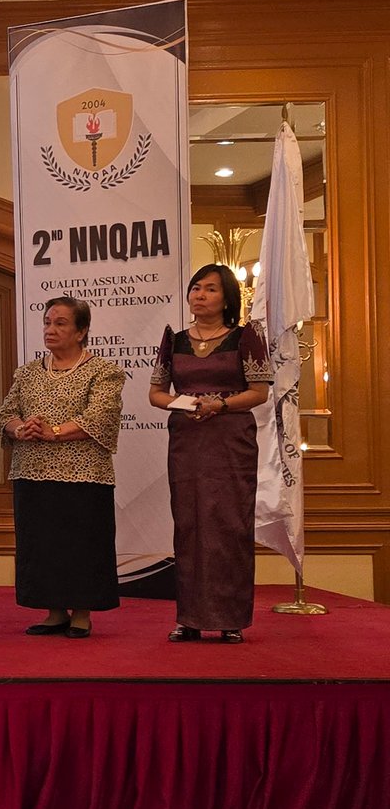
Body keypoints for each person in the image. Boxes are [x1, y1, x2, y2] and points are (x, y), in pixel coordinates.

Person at [149, 263, 272, 643]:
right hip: (187, 440)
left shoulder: (245, 336)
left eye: (210, 289)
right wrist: (185, 404)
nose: (200, 295)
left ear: (227, 298)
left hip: (231, 440)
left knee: (229, 525)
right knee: (189, 525)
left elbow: (259, 392)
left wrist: (220, 405)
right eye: (195, 288)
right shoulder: (174, 340)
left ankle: (230, 619)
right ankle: (189, 619)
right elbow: (156, 394)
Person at [0, 297, 125, 639]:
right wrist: (20, 429)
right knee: (42, 544)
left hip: (84, 476)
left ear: (81, 331)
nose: (50, 329)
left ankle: (82, 613)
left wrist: (53, 431)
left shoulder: (104, 371)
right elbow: (6, 414)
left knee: (81, 544)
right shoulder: (27, 372)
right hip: (32, 472)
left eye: (60, 323)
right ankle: (54, 612)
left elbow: (100, 417)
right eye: (47, 322)